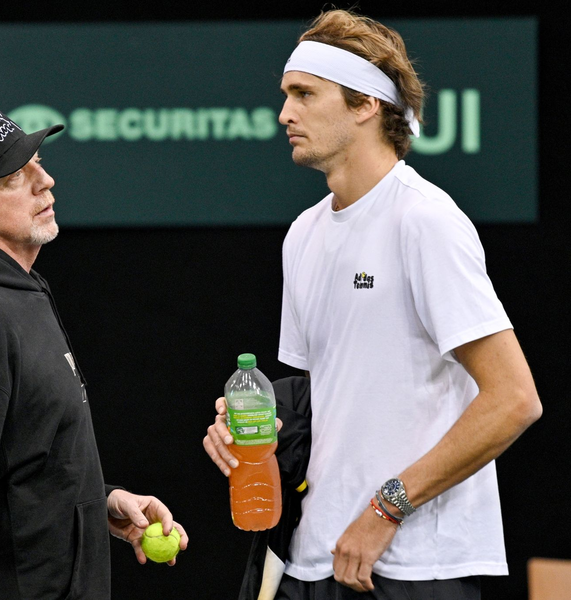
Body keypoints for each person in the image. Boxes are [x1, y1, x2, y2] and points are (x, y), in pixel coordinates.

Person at [204, 10, 541, 600]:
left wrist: (387, 508)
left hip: (414, 567)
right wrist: (251, 427)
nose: (285, 114)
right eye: (286, 96)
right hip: (315, 560)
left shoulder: (425, 220)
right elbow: (330, 397)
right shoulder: (303, 235)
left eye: (304, 94)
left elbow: (513, 400)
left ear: (365, 105)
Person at [0, 105, 188, 600]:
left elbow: (23, 456)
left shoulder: (15, 293)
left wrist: (97, 504)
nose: (45, 181)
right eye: (14, 177)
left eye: (39, 163)